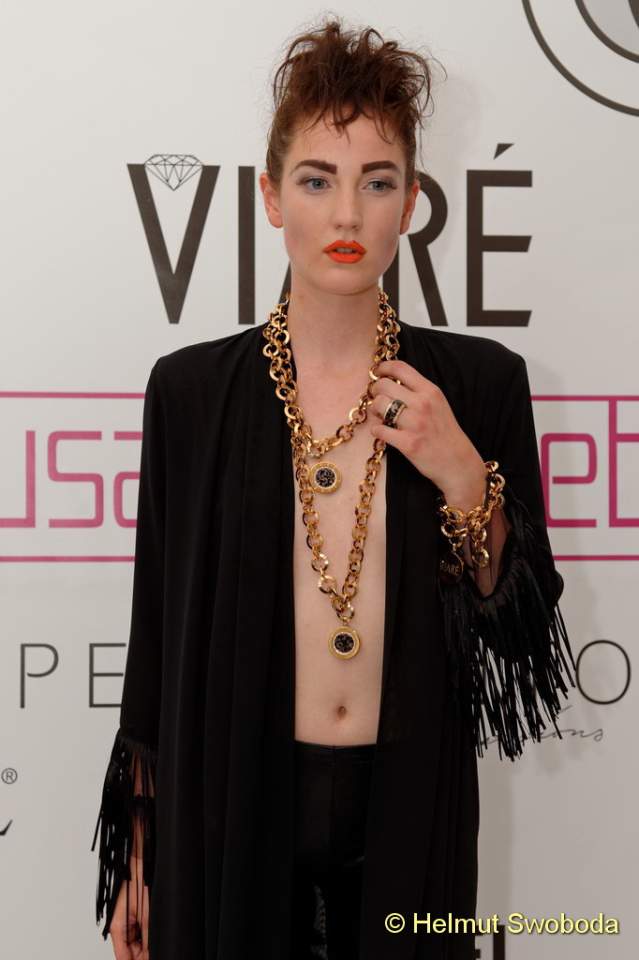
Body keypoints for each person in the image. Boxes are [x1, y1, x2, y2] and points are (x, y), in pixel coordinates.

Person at [90, 16, 576, 960]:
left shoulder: (477, 386)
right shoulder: (190, 393)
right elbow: (156, 642)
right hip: (229, 807)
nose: (347, 216)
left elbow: (520, 634)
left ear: (412, 203)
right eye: (317, 181)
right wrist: (138, 852)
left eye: (377, 182)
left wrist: (460, 470)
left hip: (411, 809)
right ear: (271, 198)